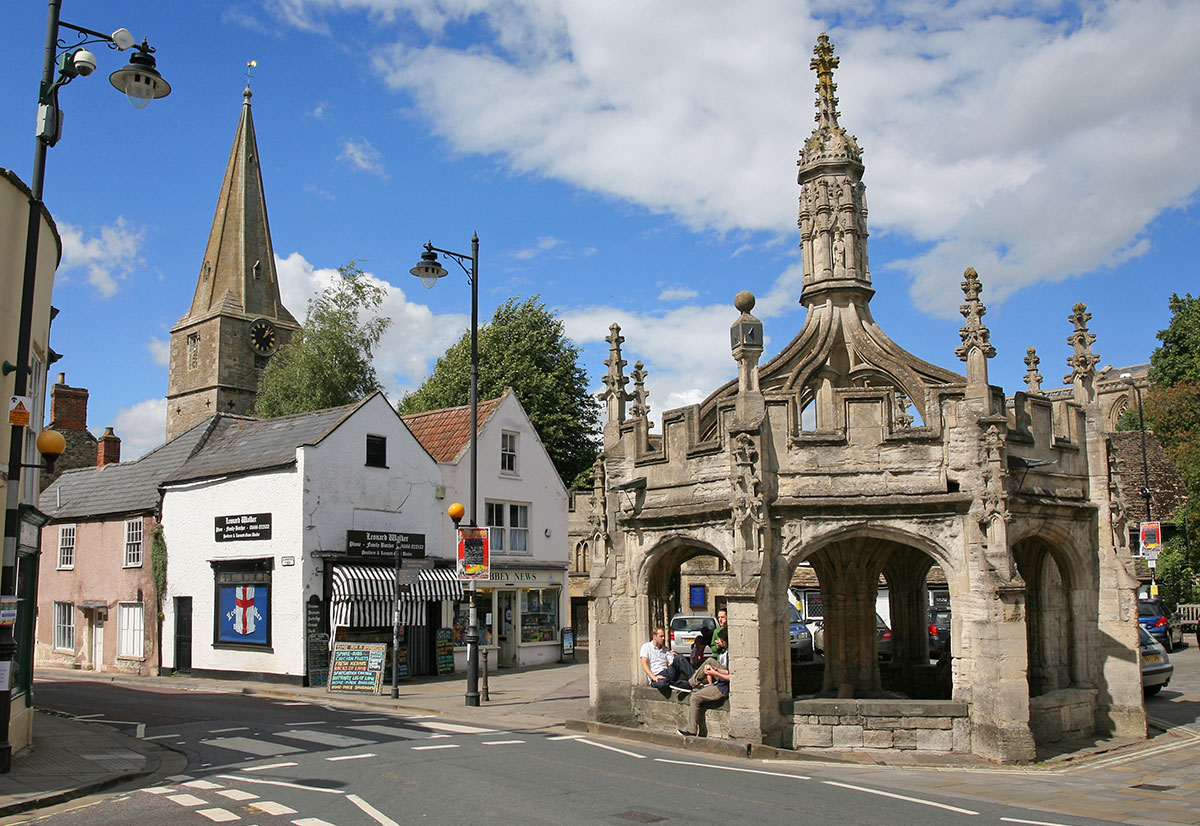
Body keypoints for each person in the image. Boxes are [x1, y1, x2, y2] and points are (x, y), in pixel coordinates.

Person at [678, 630, 730, 737]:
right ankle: (691, 682)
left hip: (723, 687)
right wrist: (716, 670)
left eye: (721, 640)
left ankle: (691, 730)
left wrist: (715, 673)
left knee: (695, 697)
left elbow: (731, 677)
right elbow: (728, 671)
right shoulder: (727, 651)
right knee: (710, 660)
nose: (720, 642)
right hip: (723, 680)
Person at [639, 626, 693, 693]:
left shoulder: (665, 649)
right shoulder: (646, 647)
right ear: (654, 637)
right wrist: (653, 677)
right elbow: (644, 663)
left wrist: (673, 656)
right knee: (662, 684)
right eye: (661, 636)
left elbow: (671, 662)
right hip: (657, 675)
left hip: (667, 672)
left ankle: (694, 680)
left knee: (680, 658)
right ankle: (680, 684)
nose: (663, 638)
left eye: (664, 636)